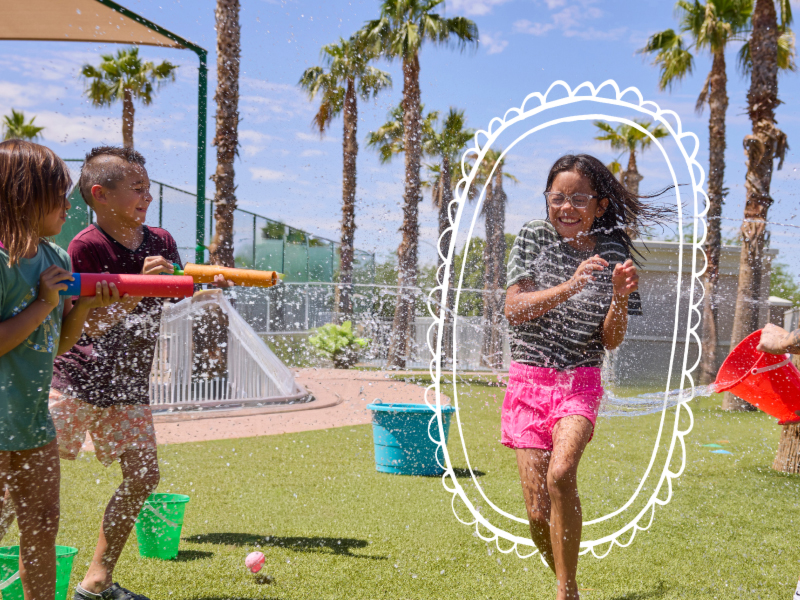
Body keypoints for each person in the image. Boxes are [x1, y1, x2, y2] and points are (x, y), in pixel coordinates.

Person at [45, 146, 230, 600]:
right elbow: (82, 325)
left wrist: (203, 287)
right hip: (77, 383)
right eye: (137, 188)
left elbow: (171, 302)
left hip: (127, 386)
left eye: (148, 188)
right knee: (25, 478)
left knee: (144, 476)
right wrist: (131, 293)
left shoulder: (161, 241)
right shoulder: (85, 246)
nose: (147, 196)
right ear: (100, 195)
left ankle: (96, 580)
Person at [502, 154, 671, 599]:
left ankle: (565, 590)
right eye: (557, 197)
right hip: (528, 381)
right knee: (537, 513)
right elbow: (514, 310)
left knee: (561, 473)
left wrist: (617, 298)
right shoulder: (532, 237)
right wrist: (571, 286)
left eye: (579, 198)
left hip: (579, 378)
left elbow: (612, 339)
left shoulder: (613, 249)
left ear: (598, 205)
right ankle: (567, 582)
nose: (566, 207)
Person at [0, 140, 117, 600]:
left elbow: (55, 343)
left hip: (33, 426)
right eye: (59, 194)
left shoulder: (57, 259)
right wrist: (44, 302)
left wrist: (81, 307)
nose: (69, 205)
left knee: (42, 530)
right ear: (23, 197)